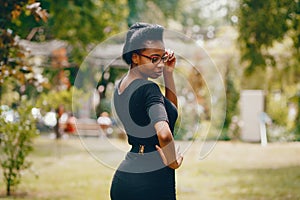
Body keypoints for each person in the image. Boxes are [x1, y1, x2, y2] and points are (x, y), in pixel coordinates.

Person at [110, 22, 183, 200]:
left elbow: (170, 111)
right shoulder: (148, 89)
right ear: (135, 57)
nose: (159, 64)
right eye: (154, 58)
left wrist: (168, 74)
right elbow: (164, 134)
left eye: (162, 58)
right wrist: (173, 161)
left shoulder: (121, 86)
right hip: (151, 181)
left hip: (126, 177)